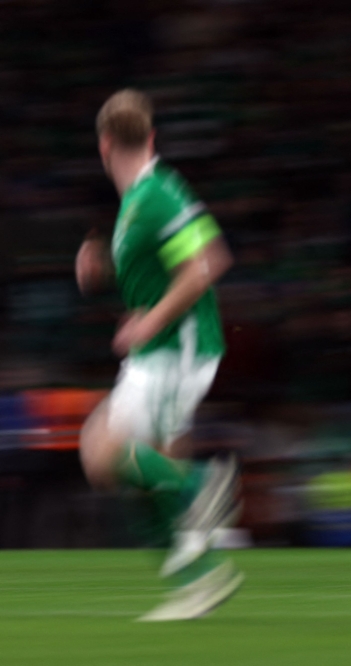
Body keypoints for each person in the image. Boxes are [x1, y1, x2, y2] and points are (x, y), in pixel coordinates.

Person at [75, 89, 243, 620]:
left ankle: (202, 486)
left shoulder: (158, 194)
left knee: (102, 452)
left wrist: (149, 319)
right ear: (149, 135)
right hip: (160, 351)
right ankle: (197, 581)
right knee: (124, 467)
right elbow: (161, 268)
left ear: (104, 144)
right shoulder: (136, 204)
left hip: (177, 350)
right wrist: (102, 267)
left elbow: (208, 261)